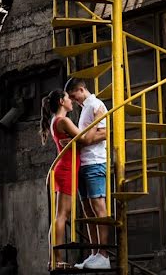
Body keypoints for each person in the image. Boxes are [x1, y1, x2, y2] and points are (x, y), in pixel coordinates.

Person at [40, 89, 106, 270]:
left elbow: (76, 140)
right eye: (68, 98)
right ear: (62, 101)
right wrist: (98, 120)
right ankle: (57, 260)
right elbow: (84, 139)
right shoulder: (64, 121)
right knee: (61, 216)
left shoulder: (56, 121)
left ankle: (55, 259)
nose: (71, 101)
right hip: (67, 169)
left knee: (60, 216)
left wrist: (70, 142)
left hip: (66, 168)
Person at [66, 78, 111, 270]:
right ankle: (94, 254)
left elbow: (104, 133)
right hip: (83, 164)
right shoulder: (85, 107)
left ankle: (104, 255)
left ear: (81, 89)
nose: (73, 100)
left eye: (74, 96)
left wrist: (83, 140)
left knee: (98, 205)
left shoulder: (96, 104)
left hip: (95, 162)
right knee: (87, 209)